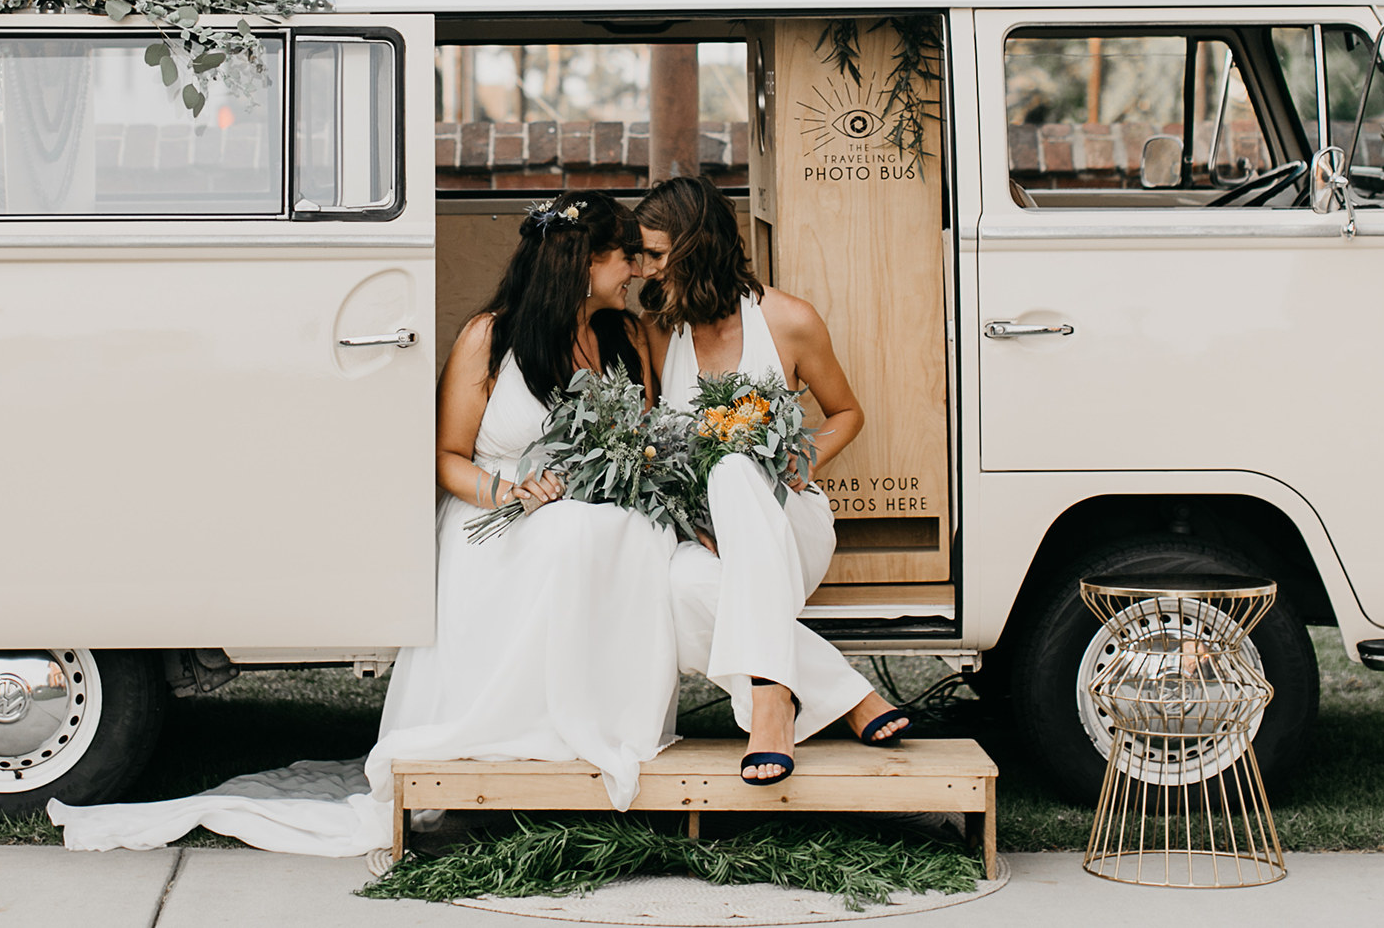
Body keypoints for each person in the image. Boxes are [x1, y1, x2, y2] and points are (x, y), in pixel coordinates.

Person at [51, 190, 678, 855]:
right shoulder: (490, 339)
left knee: (637, 533)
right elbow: (446, 457)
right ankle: (527, 731)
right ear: (583, 261)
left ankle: (602, 725)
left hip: (578, 513)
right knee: (571, 536)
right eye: (625, 257)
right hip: (493, 519)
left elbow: (632, 436)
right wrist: (508, 491)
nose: (636, 271)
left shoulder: (626, 337)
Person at [636, 175, 911, 785]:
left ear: (694, 248)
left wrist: (805, 457)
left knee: (735, 468)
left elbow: (848, 412)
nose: (645, 269)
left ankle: (768, 703)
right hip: (709, 536)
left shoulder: (788, 320)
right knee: (681, 588)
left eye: (655, 254)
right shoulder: (663, 331)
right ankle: (842, 693)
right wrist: (689, 515)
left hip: (789, 522)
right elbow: (664, 441)